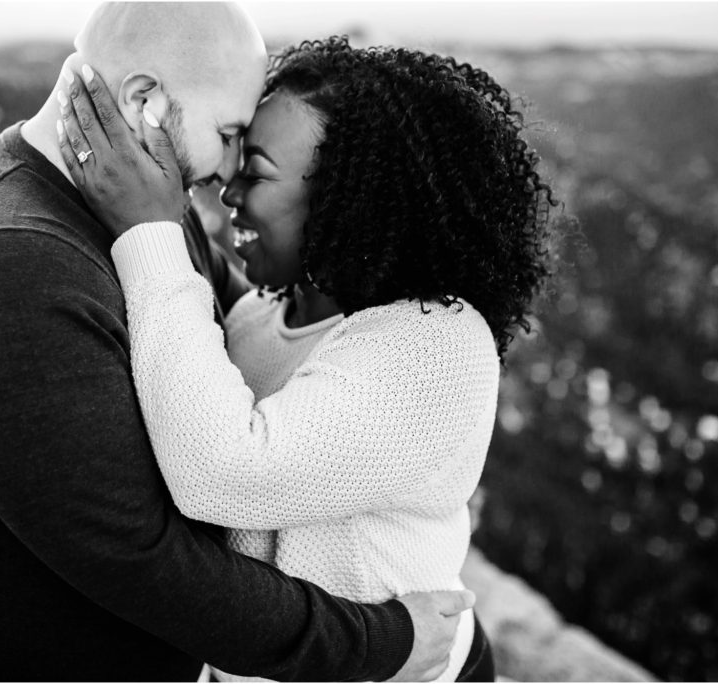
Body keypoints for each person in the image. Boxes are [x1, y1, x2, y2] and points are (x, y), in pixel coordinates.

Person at [0, 4, 471, 682]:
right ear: (144, 100)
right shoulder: (7, 268)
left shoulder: (142, 210)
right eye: (228, 134)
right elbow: (142, 559)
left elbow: (230, 322)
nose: (226, 175)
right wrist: (380, 641)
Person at [57, 36, 557, 682]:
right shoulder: (265, 313)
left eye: (257, 170)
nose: (228, 186)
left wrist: (147, 229)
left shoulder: (439, 346)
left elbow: (220, 472)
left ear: (353, 199)